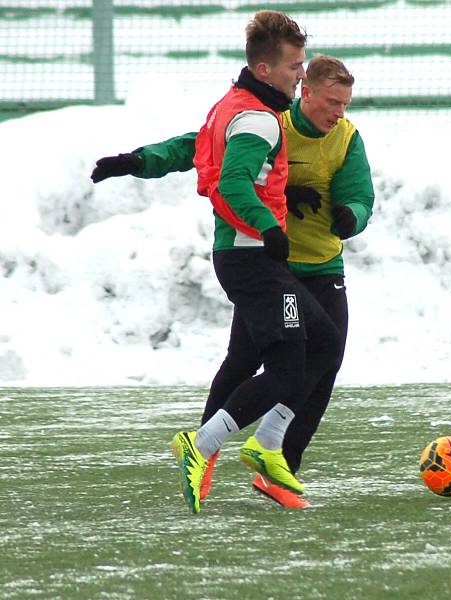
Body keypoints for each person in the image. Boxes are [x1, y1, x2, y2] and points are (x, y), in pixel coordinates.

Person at [91, 54, 374, 509]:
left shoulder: (346, 139)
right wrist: (142, 161)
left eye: (345, 104)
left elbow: (361, 195)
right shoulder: (268, 119)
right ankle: (205, 452)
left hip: (320, 268)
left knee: (323, 363)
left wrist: (349, 216)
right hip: (270, 266)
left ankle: (279, 469)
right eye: (332, 101)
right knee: (245, 361)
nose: (339, 112)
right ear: (307, 92)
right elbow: (199, 147)